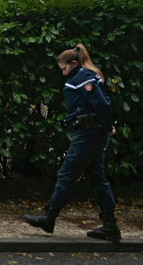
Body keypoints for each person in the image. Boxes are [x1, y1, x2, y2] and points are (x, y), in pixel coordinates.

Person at [23, 43, 121, 242]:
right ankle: (110, 226)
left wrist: (106, 126)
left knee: (66, 175)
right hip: (92, 133)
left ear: (74, 63)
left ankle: (49, 217)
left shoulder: (82, 78)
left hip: (87, 134)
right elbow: (102, 103)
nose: (63, 73)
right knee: (98, 178)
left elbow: (101, 104)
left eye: (64, 68)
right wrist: (106, 127)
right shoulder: (85, 75)